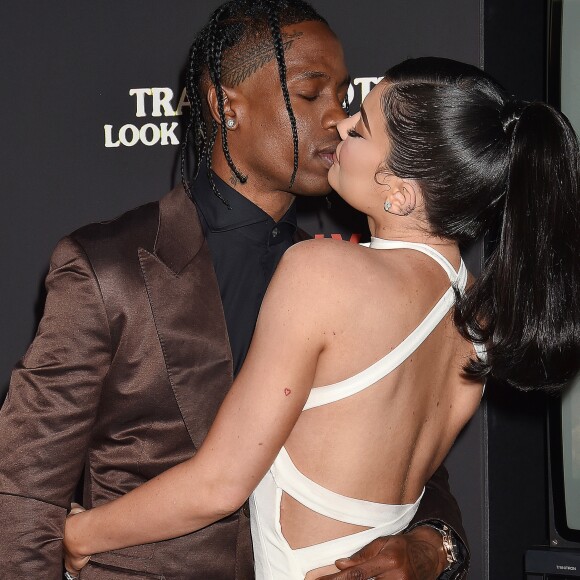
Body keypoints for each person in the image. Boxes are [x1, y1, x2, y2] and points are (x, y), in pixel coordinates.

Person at [62, 56, 580, 578]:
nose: (340, 124)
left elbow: (218, 485)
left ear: (400, 193)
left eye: (362, 128)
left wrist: (80, 534)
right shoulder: (480, 313)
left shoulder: (322, 271)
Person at [0, 2, 468, 579]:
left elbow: (412, 458)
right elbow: (23, 496)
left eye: (344, 97)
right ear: (227, 106)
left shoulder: (346, 275)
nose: (337, 119)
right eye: (309, 93)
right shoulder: (109, 268)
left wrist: (432, 546)